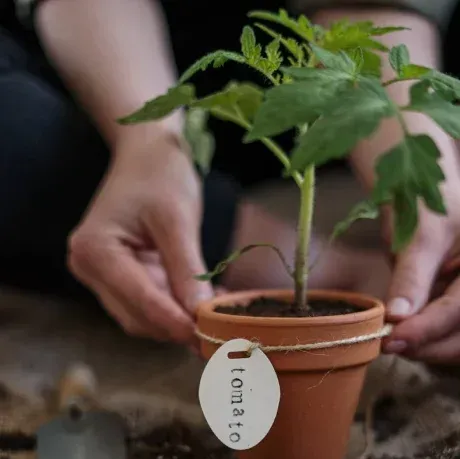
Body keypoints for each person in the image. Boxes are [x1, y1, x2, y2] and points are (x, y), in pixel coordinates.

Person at [1, 0, 460, 363]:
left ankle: (418, 257)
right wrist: (150, 142)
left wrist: (424, 186)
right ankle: (321, 270)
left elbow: (369, 13)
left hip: (342, 69)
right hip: (133, 70)